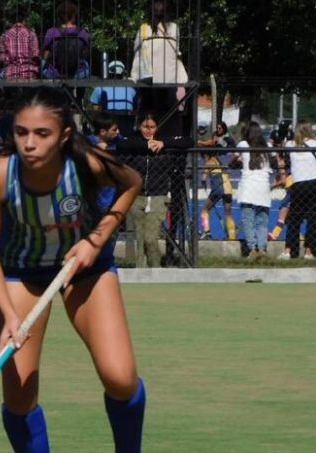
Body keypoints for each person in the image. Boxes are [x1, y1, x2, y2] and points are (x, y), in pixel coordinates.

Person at [0, 86, 168, 453]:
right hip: (21, 274)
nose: (29, 143)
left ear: (63, 135)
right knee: (19, 391)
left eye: (41, 133)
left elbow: (132, 183)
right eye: (21, 132)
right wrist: (8, 314)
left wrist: (96, 239)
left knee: (120, 376)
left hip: (86, 270)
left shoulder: (88, 163)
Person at [116, 112, 192, 267]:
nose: (148, 130)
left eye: (152, 127)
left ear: (157, 127)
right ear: (139, 127)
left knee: (150, 237)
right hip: (137, 196)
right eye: (145, 127)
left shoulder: (164, 142)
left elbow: (188, 141)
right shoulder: (133, 142)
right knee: (140, 238)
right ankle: (141, 270)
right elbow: (121, 144)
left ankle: (156, 268)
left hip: (158, 196)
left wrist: (163, 143)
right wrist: (145, 146)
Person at [129, 0, 187, 137]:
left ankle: (146, 138)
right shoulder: (174, 27)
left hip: (147, 77)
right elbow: (176, 49)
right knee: (168, 110)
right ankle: (168, 137)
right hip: (168, 77)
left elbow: (136, 50)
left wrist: (134, 75)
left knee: (148, 108)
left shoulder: (144, 28)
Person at [280, 121, 316, 260]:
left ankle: (289, 250)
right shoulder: (315, 144)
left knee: (294, 219)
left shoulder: (290, 145)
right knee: (313, 219)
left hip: (298, 183)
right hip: (315, 182)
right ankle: (309, 251)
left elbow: (282, 150)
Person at [235, 121, 273, 259]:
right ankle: (262, 248)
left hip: (248, 185)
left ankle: (252, 248)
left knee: (248, 218)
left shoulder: (243, 145)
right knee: (262, 220)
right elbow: (275, 159)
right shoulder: (268, 146)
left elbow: (235, 158)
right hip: (263, 186)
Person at [40, 2, 91, 82]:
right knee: (86, 64)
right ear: (73, 16)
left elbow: (45, 55)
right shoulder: (83, 32)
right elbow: (86, 54)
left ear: (59, 17)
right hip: (77, 73)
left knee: (42, 62)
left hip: (55, 74)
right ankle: (79, 88)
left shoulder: (51, 32)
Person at [88, 61, 137, 137]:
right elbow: (135, 107)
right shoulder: (131, 89)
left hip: (107, 128)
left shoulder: (100, 88)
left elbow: (91, 107)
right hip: (127, 129)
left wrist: (102, 109)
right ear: (123, 74)